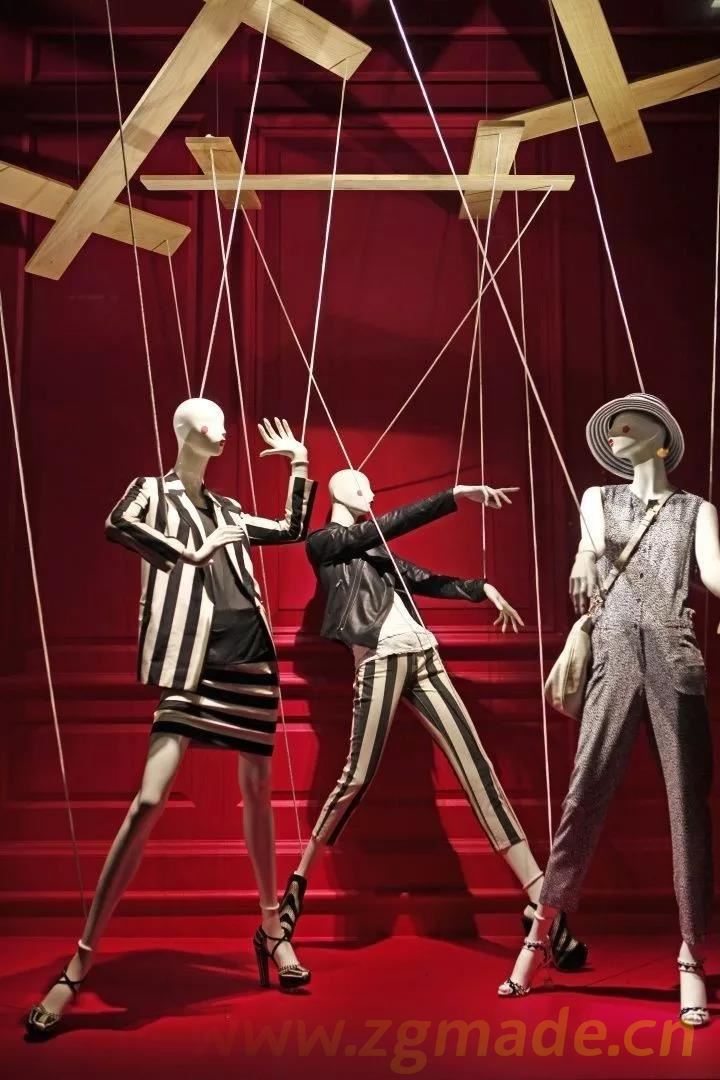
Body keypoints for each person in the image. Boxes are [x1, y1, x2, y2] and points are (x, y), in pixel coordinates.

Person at [26, 401, 317, 1037]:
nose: (224, 429)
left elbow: (291, 530)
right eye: (211, 421)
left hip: (250, 656)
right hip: (193, 661)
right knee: (149, 800)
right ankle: (80, 961)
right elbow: (118, 523)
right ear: (185, 432)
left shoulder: (229, 507)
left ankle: (273, 928)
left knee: (257, 790)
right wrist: (193, 551)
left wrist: (300, 465)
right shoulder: (151, 493)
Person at [278, 469, 587, 969]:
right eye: (361, 486)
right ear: (337, 491)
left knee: (478, 769)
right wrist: (454, 495)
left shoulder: (375, 550)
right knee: (355, 777)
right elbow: (385, 527)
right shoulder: (324, 544)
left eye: (371, 486)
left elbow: (422, 579)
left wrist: (481, 588)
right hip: (379, 659)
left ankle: (541, 901)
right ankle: (296, 886)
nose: (371, 492)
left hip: (424, 655)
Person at [499, 393, 715, 1029]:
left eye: (629, 424)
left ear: (661, 438)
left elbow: (713, 575)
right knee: (584, 794)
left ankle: (691, 953)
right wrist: (582, 556)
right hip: (615, 652)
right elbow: (592, 545)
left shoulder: (697, 510)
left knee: (687, 807)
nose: (615, 432)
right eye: (611, 426)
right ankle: (540, 934)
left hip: (676, 656)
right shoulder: (599, 497)